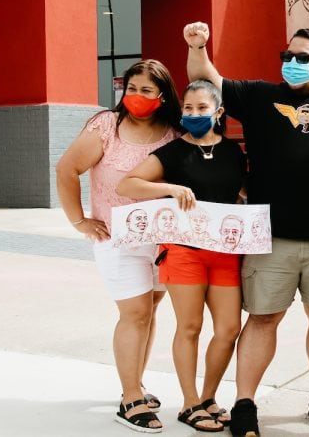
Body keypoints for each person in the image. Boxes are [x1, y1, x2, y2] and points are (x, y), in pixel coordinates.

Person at [185, 21, 309, 437]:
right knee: (263, 319)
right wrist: (198, 46)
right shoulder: (259, 96)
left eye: (303, 58)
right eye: (287, 56)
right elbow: (205, 78)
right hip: (270, 238)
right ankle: (245, 402)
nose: (293, 63)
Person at [55, 59, 181, 433]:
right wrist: (78, 219)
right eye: (131, 88)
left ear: (161, 95)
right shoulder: (106, 127)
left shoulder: (173, 131)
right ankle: (130, 400)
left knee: (151, 310)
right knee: (135, 313)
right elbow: (66, 169)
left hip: (160, 240)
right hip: (115, 239)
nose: (137, 96)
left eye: (146, 90)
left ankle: (137, 382)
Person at [119, 79, 248, 434]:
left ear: (218, 112)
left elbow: (244, 191)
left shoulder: (233, 152)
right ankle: (189, 403)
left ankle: (208, 397)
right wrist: (170, 188)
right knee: (190, 327)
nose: (193, 114)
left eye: (202, 108)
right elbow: (127, 185)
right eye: (188, 109)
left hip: (225, 252)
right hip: (182, 252)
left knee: (228, 329)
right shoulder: (172, 153)